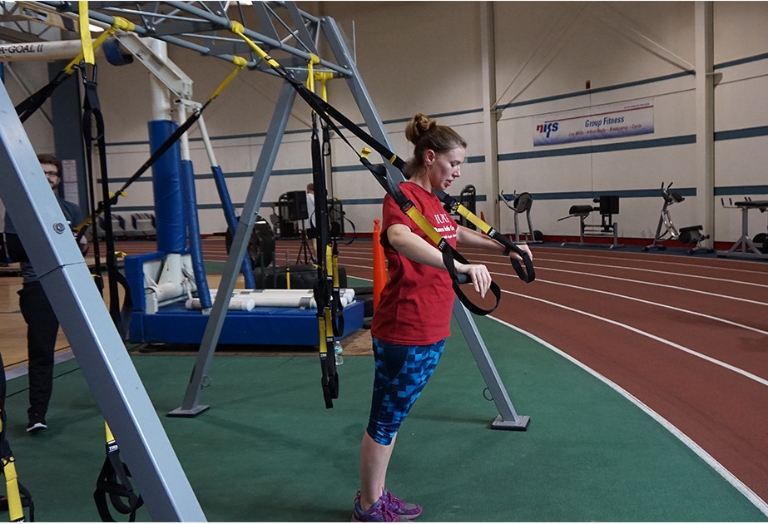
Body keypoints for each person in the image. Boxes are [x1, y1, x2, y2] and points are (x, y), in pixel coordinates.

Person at [352, 114, 533, 522]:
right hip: (405, 330)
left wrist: (506, 249)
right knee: (384, 421)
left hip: (429, 330)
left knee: (392, 419)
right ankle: (367, 506)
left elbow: (457, 235)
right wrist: (461, 268)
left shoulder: (434, 201)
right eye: (454, 164)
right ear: (430, 157)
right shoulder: (403, 196)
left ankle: (375, 495)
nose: (457, 173)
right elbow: (398, 237)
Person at [3, 153, 87, 433]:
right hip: (40, 287)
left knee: (98, 347)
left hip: (74, 284)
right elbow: (16, 251)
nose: (48, 177)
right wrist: (58, 239)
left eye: (52, 173)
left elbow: (83, 247)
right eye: (42, 172)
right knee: (41, 352)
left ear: (58, 179)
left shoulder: (71, 210)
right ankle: (37, 414)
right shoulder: (18, 209)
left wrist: (79, 242)